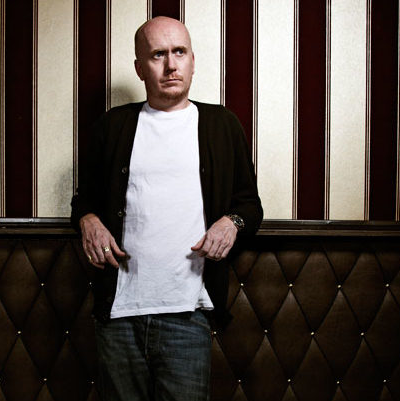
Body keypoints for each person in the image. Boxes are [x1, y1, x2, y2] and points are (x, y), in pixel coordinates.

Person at [71, 16, 262, 401]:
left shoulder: (221, 125)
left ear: (192, 60)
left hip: (188, 313)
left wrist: (231, 222)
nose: (171, 65)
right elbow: (84, 200)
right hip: (119, 313)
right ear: (140, 67)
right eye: (158, 55)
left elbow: (249, 205)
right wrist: (87, 220)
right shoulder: (113, 126)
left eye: (180, 52)